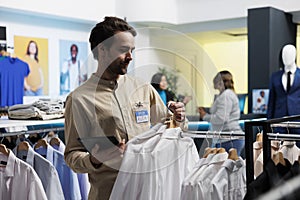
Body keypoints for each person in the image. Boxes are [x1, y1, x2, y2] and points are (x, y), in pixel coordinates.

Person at [63, 16, 186, 200]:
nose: (130, 57)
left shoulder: (143, 89)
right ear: (102, 50)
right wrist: (94, 159)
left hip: (147, 191)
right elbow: (72, 156)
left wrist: (179, 118)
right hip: (107, 194)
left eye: (132, 50)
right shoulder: (79, 99)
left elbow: (171, 127)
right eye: (123, 50)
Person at [198, 70, 244, 155]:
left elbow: (221, 118)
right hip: (227, 138)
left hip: (229, 139)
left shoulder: (226, 95)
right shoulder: (226, 94)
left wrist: (205, 116)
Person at [267, 44, 300, 120]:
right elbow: (271, 102)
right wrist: (268, 122)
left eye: (290, 54)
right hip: (278, 119)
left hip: (297, 119)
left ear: (295, 55)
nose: (286, 57)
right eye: (284, 54)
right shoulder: (275, 77)